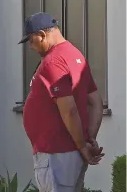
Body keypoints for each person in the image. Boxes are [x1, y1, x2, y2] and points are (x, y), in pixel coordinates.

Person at [19, 12, 104, 192]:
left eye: (31, 41)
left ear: (42, 35)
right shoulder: (75, 54)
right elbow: (96, 101)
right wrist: (88, 139)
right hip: (69, 151)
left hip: (57, 153)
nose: (31, 47)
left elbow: (69, 110)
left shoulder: (53, 61)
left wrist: (83, 145)